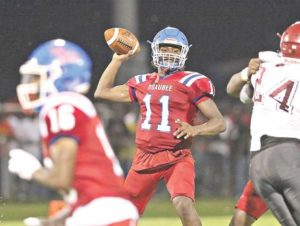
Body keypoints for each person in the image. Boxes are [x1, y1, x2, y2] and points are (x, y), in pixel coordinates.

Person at [94, 26, 226, 226]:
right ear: (155, 49)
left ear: (184, 53)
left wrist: (196, 129)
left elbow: (219, 122)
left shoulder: (191, 81)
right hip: (144, 157)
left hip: (177, 156)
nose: (170, 53)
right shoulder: (142, 81)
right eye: (165, 48)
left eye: (175, 49)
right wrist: (117, 61)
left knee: (183, 204)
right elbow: (102, 92)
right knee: (125, 212)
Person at [8, 39, 139, 226]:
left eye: (37, 77)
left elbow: (62, 180)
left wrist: (32, 171)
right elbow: (83, 194)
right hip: (107, 212)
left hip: (105, 215)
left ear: (59, 76)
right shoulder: (73, 104)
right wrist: (52, 222)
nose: (32, 83)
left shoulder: (61, 105)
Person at [227, 21, 300, 226]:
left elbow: (232, 88)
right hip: (290, 155)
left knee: (240, 220)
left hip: (260, 161)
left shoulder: (266, 67)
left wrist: (245, 74)